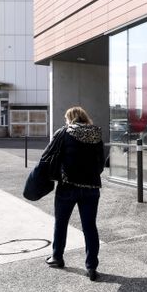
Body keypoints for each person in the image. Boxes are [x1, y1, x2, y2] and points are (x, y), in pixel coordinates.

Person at [44, 106, 105, 281]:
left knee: (61, 223)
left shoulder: (64, 133)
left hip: (67, 186)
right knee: (90, 227)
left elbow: (49, 155)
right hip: (92, 188)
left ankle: (57, 257)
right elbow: (100, 165)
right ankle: (91, 267)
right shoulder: (97, 135)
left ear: (70, 118)